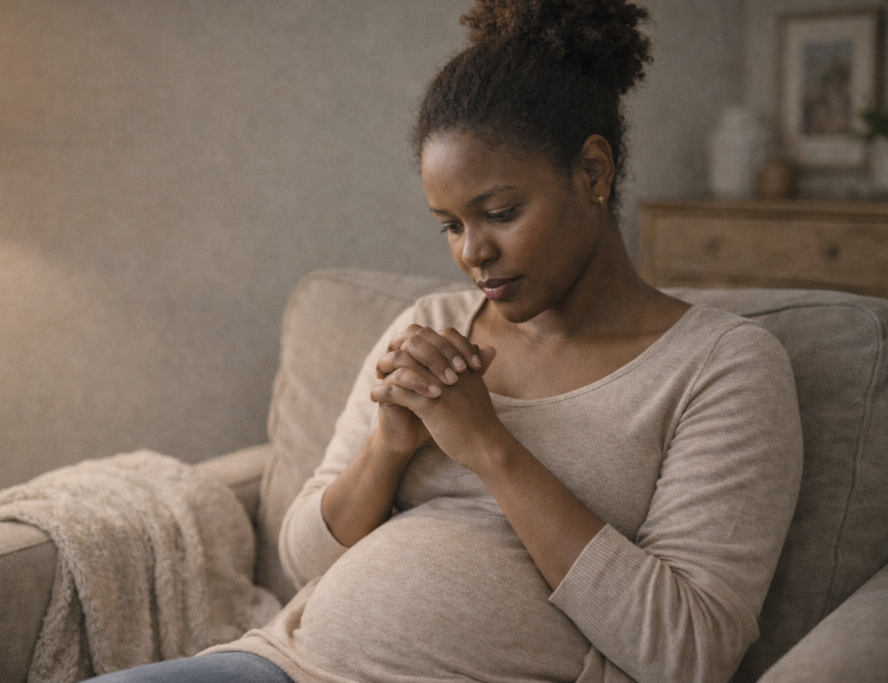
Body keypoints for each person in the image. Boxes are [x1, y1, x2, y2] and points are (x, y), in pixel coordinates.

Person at [88, 1, 803, 681]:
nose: (472, 253)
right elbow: (304, 558)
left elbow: (688, 652)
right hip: (278, 663)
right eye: (451, 225)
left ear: (592, 171)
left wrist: (490, 448)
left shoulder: (722, 367)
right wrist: (388, 447)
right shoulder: (430, 326)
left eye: (500, 212)